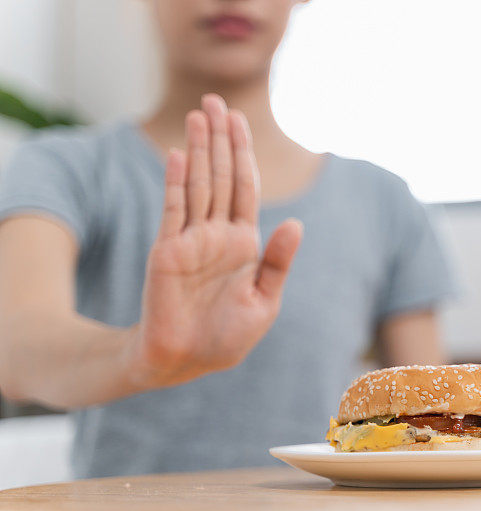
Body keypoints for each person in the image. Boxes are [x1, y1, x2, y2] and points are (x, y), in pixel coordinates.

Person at [0, 0, 457, 477]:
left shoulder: (383, 199)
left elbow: (431, 424)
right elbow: (18, 351)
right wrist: (140, 358)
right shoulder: (65, 168)